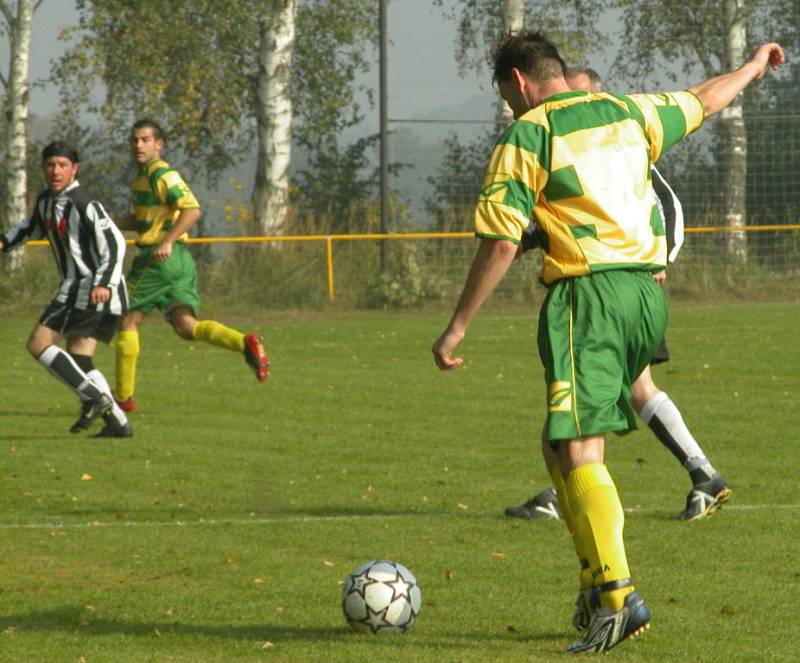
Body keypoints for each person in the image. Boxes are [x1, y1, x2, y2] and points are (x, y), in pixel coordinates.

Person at [432, 31, 783, 653]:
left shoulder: (528, 134)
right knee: (556, 441)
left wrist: (458, 325)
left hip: (587, 297)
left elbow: (503, 240)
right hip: (647, 296)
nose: (512, 109)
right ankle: (595, 584)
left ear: (518, 83)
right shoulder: (629, 111)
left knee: (579, 446)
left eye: (509, 98)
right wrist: (754, 66)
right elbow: (704, 98)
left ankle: (618, 597)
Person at [505, 67, 731, 523]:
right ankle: (695, 475)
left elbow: (664, 202)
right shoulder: (571, 146)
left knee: (621, 393)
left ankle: (695, 476)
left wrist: (661, 258)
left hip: (618, 289)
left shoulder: (625, 144)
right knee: (618, 393)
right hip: (608, 286)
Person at [112, 119, 269, 411]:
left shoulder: (162, 174)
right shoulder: (142, 178)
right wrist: (111, 221)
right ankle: (244, 342)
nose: (138, 145)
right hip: (179, 261)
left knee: (126, 320)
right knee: (186, 327)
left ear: (159, 145)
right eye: (134, 140)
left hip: (158, 260)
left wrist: (167, 241)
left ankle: (123, 397)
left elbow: (192, 209)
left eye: (145, 140)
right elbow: (145, 220)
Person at [0, 141, 133, 438]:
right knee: (80, 358)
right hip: (86, 289)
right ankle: (118, 423)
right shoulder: (47, 200)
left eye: (62, 165)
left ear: (75, 169)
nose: (55, 171)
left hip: (90, 288)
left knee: (38, 343)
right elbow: (28, 226)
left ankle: (95, 399)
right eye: (50, 165)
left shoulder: (83, 202)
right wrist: (4, 242)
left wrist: (103, 283)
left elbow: (115, 244)